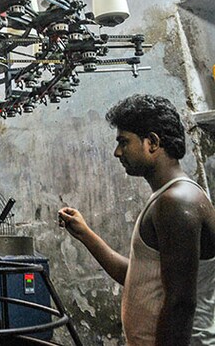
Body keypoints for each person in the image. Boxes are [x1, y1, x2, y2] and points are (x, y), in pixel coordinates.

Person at [59, 94, 215, 346]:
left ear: (151, 142)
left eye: (124, 141)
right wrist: (84, 233)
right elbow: (136, 277)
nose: (117, 152)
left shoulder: (177, 202)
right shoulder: (166, 199)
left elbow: (181, 303)